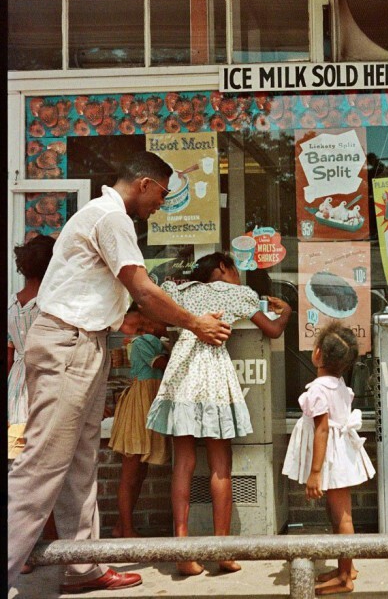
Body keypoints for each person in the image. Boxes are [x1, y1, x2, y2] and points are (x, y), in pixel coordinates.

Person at [7, 152, 232, 593]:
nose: (161, 205)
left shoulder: (102, 216)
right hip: (69, 343)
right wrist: (197, 322)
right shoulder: (111, 218)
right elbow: (143, 289)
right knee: (43, 463)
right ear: (144, 184)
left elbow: (124, 299)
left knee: (79, 462)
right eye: (163, 195)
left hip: (81, 342)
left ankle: (82, 566)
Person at [146, 251, 291, 577]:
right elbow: (272, 330)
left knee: (183, 462)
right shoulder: (240, 294)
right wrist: (287, 312)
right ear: (223, 268)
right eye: (236, 269)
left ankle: (183, 550)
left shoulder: (183, 292)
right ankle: (222, 551)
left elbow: (156, 304)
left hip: (181, 375)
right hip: (211, 375)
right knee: (220, 465)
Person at [282, 323, 375, 596]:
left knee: (342, 516)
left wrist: (315, 472)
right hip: (340, 454)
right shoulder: (338, 384)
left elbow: (321, 429)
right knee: (337, 515)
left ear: (318, 354)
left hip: (331, 460)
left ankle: (345, 577)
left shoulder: (318, 390)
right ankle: (346, 566)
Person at [7, 235, 59, 574]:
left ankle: (37, 546)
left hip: (16, 389)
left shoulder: (11, 304)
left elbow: (9, 354)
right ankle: (33, 548)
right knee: (48, 470)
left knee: (20, 466)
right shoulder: (52, 304)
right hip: (44, 386)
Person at [109, 304, 171, 538]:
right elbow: (162, 365)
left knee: (139, 473)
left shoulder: (155, 341)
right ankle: (126, 529)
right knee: (131, 472)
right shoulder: (142, 342)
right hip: (138, 409)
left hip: (149, 406)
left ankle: (120, 526)